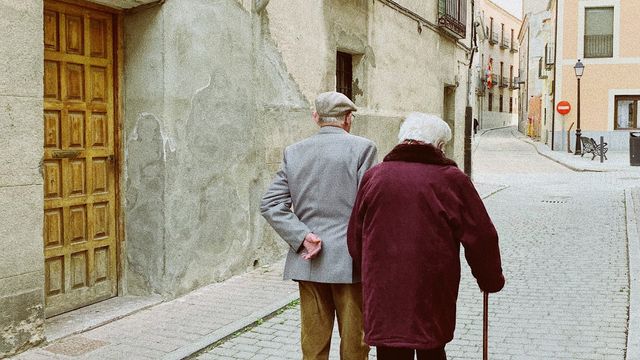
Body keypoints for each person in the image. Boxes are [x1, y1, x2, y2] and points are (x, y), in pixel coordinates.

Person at [347, 112, 505, 360]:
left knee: (389, 351)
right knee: (431, 350)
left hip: (384, 291)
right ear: (440, 146)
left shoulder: (374, 177)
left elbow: (356, 237)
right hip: (432, 291)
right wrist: (490, 278)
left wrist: (368, 271)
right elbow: (482, 236)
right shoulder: (452, 180)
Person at [260, 91, 377, 360]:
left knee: (312, 348)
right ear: (348, 118)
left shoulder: (294, 152)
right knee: (355, 347)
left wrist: (302, 236)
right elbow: (369, 205)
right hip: (351, 263)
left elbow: (270, 204)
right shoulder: (363, 148)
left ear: (316, 118)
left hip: (309, 261)